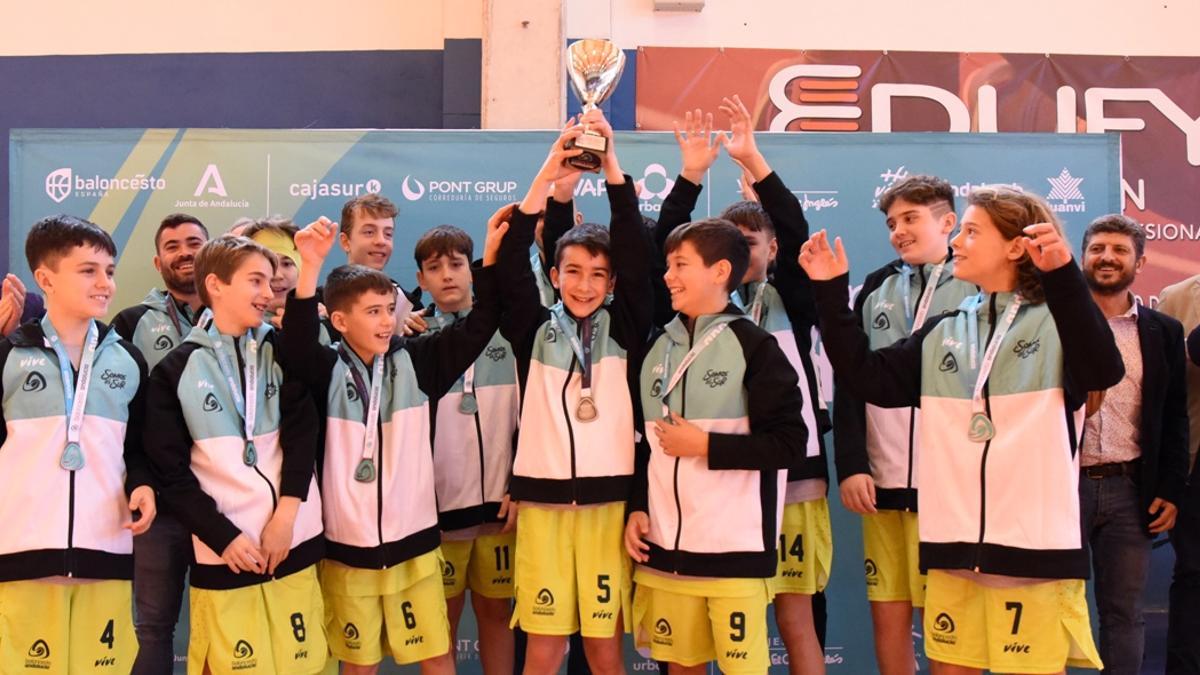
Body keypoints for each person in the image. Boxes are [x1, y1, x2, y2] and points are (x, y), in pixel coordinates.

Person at [799, 185, 1123, 674]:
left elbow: (1103, 370)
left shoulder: (1057, 320)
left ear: (1016, 246)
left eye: (972, 231)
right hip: (951, 545)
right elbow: (868, 378)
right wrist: (828, 290)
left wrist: (1061, 277)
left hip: (1032, 548)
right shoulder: (949, 326)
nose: (957, 242)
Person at [277, 209, 515, 674]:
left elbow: (483, 321)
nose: (387, 322)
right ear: (341, 321)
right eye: (372, 313)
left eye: (389, 310)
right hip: (347, 549)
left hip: (418, 544)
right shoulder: (326, 370)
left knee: (436, 655)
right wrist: (308, 268)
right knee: (359, 663)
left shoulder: (421, 361)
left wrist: (490, 254)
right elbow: (298, 344)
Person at [647, 97, 832, 674]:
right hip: (711, 497)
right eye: (734, 242)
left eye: (755, 241)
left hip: (793, 480)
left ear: (773, 249)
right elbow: (661, 252)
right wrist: (691, 176)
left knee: (795, 616)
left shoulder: (793, 302)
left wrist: (755, 164)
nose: (745, 251)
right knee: (703, 630)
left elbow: (798, 229)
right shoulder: (683, 323)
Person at [625, 215, 807, 674]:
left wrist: (707, 445)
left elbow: (790, 443)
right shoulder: (655, 349)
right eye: (668, 265)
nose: (668, 276)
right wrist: (636, 507)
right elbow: (643, 446)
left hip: (735, 554)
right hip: (665, 550)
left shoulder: (755, 345)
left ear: (720, 271)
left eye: (680, 265)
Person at [502, 112, 650, 675]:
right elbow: (514, 254)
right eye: (573, 272)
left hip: (609, 507)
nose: (584, 284)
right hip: (540, 506)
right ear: (555, 274)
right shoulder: (530, 328)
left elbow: (635, 251)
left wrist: (611, 165)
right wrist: (550, 170)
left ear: (612, 284)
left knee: (604, 646)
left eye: (597, 274)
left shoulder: (630, 326)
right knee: (544, 647)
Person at [145, 235, 328, 675]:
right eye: (256, 281)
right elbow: (171, 474)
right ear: (216, 284)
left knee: (302, 666)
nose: (269, 292)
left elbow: (304, 435)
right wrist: (222, 537)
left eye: (270, 281)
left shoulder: (282, 350)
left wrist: (286, 517)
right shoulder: (175, 369)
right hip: (225, 553)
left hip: (291, 542)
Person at [833, 174, 978, 674]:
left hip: (954, 491)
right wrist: (852, 464)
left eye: (911, 218)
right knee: (889, 615)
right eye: (892, 222)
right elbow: (849, 378)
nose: (898, 231)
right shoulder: (876, 285)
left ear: (948, 222)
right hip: (884, 481)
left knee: (950, 627)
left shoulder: (980, 285)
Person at [0, 214, 156, 673]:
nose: (105, 282)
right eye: (88, 270)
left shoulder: (127, 358)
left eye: (109, 270)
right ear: (45, 278)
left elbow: (139, 447)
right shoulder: (10, 355)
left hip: (105, 551)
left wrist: (143, 484)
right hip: (23, 553)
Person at [1077, 214, 1188, 674]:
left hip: (1130, 490)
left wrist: (1170, 487)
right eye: (1098, 248)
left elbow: (1175, 415)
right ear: (1082, 258)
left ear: (1139, 263)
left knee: (1123, 615)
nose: (1107, 257)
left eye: (1120, 250)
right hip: (1062, 488)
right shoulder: (1052, 324)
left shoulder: (1162, 331)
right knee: (1050, 602)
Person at [413, 222, 521, 675]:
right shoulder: (413, 337)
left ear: (473, 270)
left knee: (498, 617)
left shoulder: (510, 330)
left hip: (501, 503)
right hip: (441, 507)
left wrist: (521, 481)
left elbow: (536, 412)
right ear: (421, 279)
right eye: (434, 268)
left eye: (456, 264)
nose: (447, 275)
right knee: (443, 621)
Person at [111, 212, 211, 674]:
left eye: (194, 242)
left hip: (223, 497)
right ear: (157, 261)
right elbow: (123, 417)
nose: (185, 251)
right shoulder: (130, 322)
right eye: (173, 245)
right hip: (159, 505)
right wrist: (140, 479)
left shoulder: (237, 319)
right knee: (152, 629)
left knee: (225, 626)